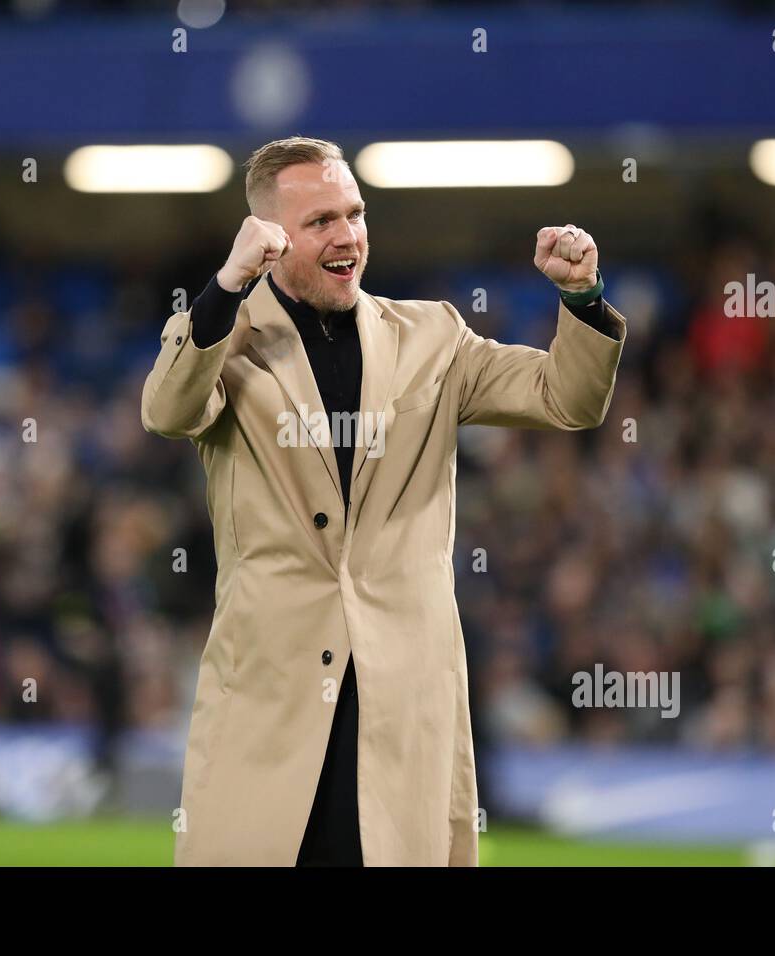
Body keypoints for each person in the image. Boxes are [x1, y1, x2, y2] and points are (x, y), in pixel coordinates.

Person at [142, 136, 625, 865]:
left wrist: (580, 298)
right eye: (321, 223)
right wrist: (225, 288)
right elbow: (168, 409)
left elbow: (567, 398)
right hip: (271, 699)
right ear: (268, 243)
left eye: (355, 214)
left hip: (400, 700)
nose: (347, 237)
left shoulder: (433, 337)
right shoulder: (225, 340)